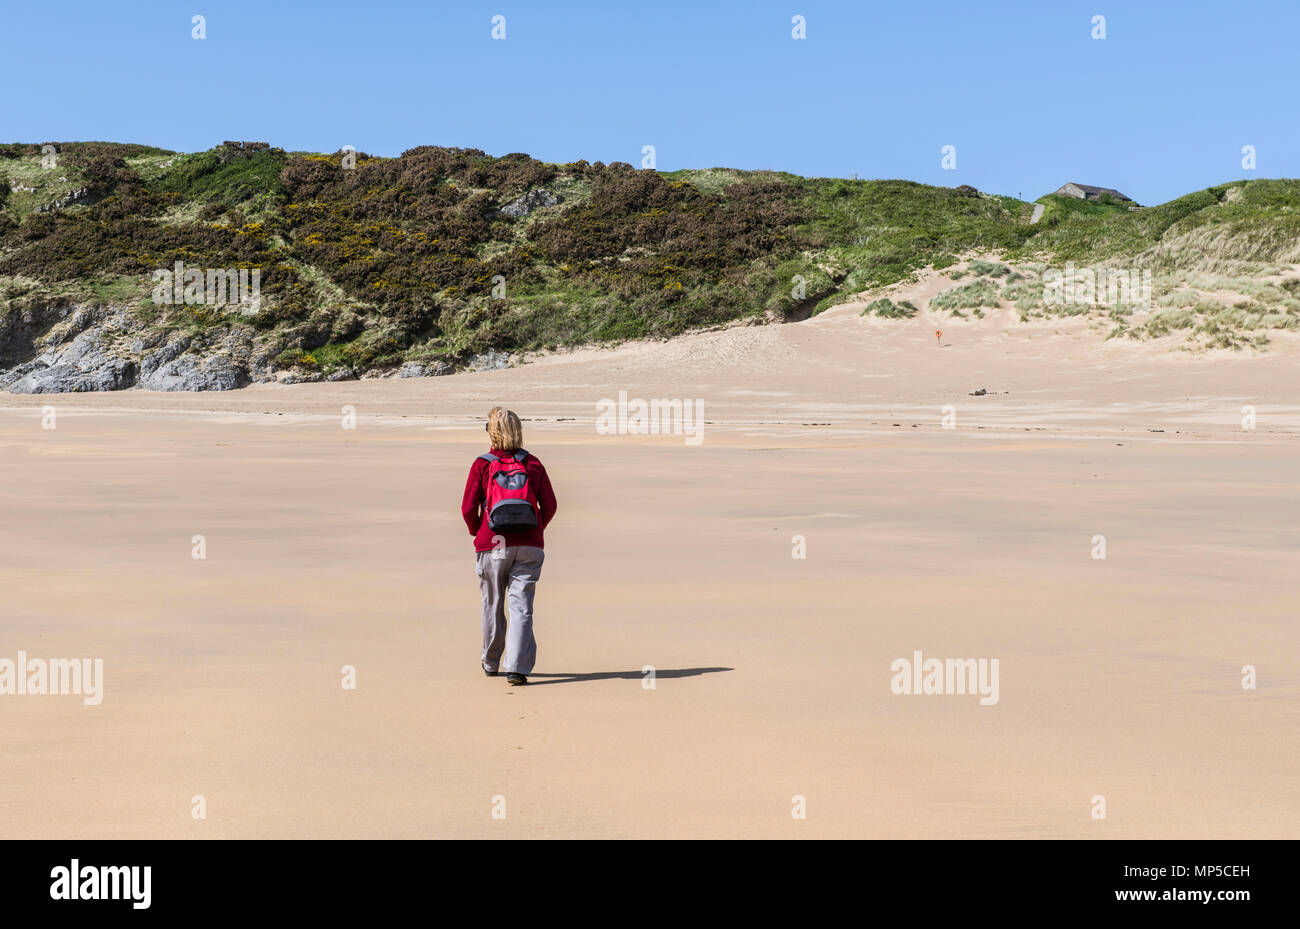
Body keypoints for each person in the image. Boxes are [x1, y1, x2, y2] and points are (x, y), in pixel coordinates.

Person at [460, 407, 557, 685]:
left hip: (492, 544)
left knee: (492, 603)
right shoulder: (533, 464)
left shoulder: (482, 463)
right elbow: (549, 505)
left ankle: (491, 663)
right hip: (529, 546)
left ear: (491, 431)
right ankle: (516, 668)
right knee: (521, 606)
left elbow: (468, 507)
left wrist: (476, 531)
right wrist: (535, 530)